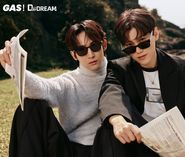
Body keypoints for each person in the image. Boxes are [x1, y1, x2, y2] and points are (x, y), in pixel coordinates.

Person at [96, 8, 185, 157]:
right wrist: (117, 120)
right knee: (109, 131)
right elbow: (110, 92)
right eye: (130, 47)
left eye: (143, 43)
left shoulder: (183, 68)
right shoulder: (119, 69)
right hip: (141, 143)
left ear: (155, 34)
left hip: (178, 142)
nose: (138, 51)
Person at [0, 20, 107, 157]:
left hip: (108, 147)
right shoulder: (69, 82)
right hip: (71, 149)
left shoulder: (120, 72)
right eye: (82, 50)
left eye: (95, 46)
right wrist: (14, 67)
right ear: (74, 55)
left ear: (104, 44)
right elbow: (45, 88)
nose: (90, 54)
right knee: (30, 106)